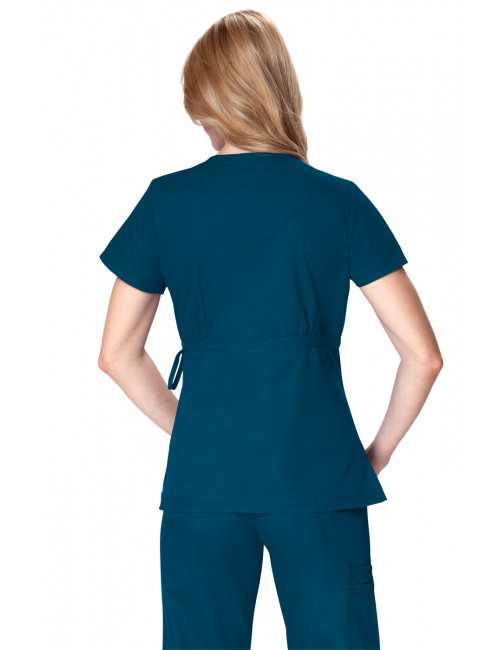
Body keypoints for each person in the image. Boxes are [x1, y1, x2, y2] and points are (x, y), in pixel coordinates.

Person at [98, 10, 443, 650]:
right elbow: (422, 356)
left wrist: (192, 427)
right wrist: (376, 454)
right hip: (320, 476)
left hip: (204, 481)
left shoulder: (166, 202)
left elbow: (117, 354)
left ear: (207, 99)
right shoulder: (337, 200)